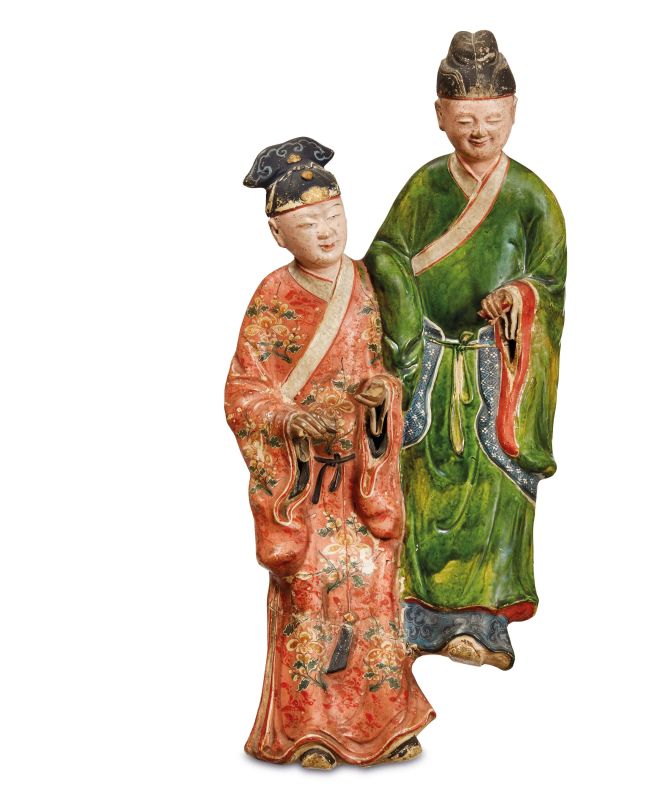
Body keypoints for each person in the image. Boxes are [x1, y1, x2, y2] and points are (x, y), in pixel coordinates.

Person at [226, 137, 434, 769]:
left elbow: (399, 366)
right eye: (308, 222)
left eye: (334, 217)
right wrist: (292, 420)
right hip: (305, 487)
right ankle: (308, 730)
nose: (325, 231)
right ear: (277, 233)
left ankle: (388, 723)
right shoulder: (273, 295)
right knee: (310, 594)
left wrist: (382, 396)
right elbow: (244, 391)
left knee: (373, 590)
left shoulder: (370, 284)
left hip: (364, 478)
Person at [364, 32, 567, 670]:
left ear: (513, 112)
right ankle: (417, 618)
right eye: (465, 119)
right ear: (440, 116)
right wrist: (406, 317)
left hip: (494, 368)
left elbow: (551, 284)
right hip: (427, 362)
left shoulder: (533, 198)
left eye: (493, 119)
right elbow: (385, 256)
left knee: (493, 493)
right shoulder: (426, 186)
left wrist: (519, 298)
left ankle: (484, 625)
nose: (479, 131)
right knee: (421, 483)